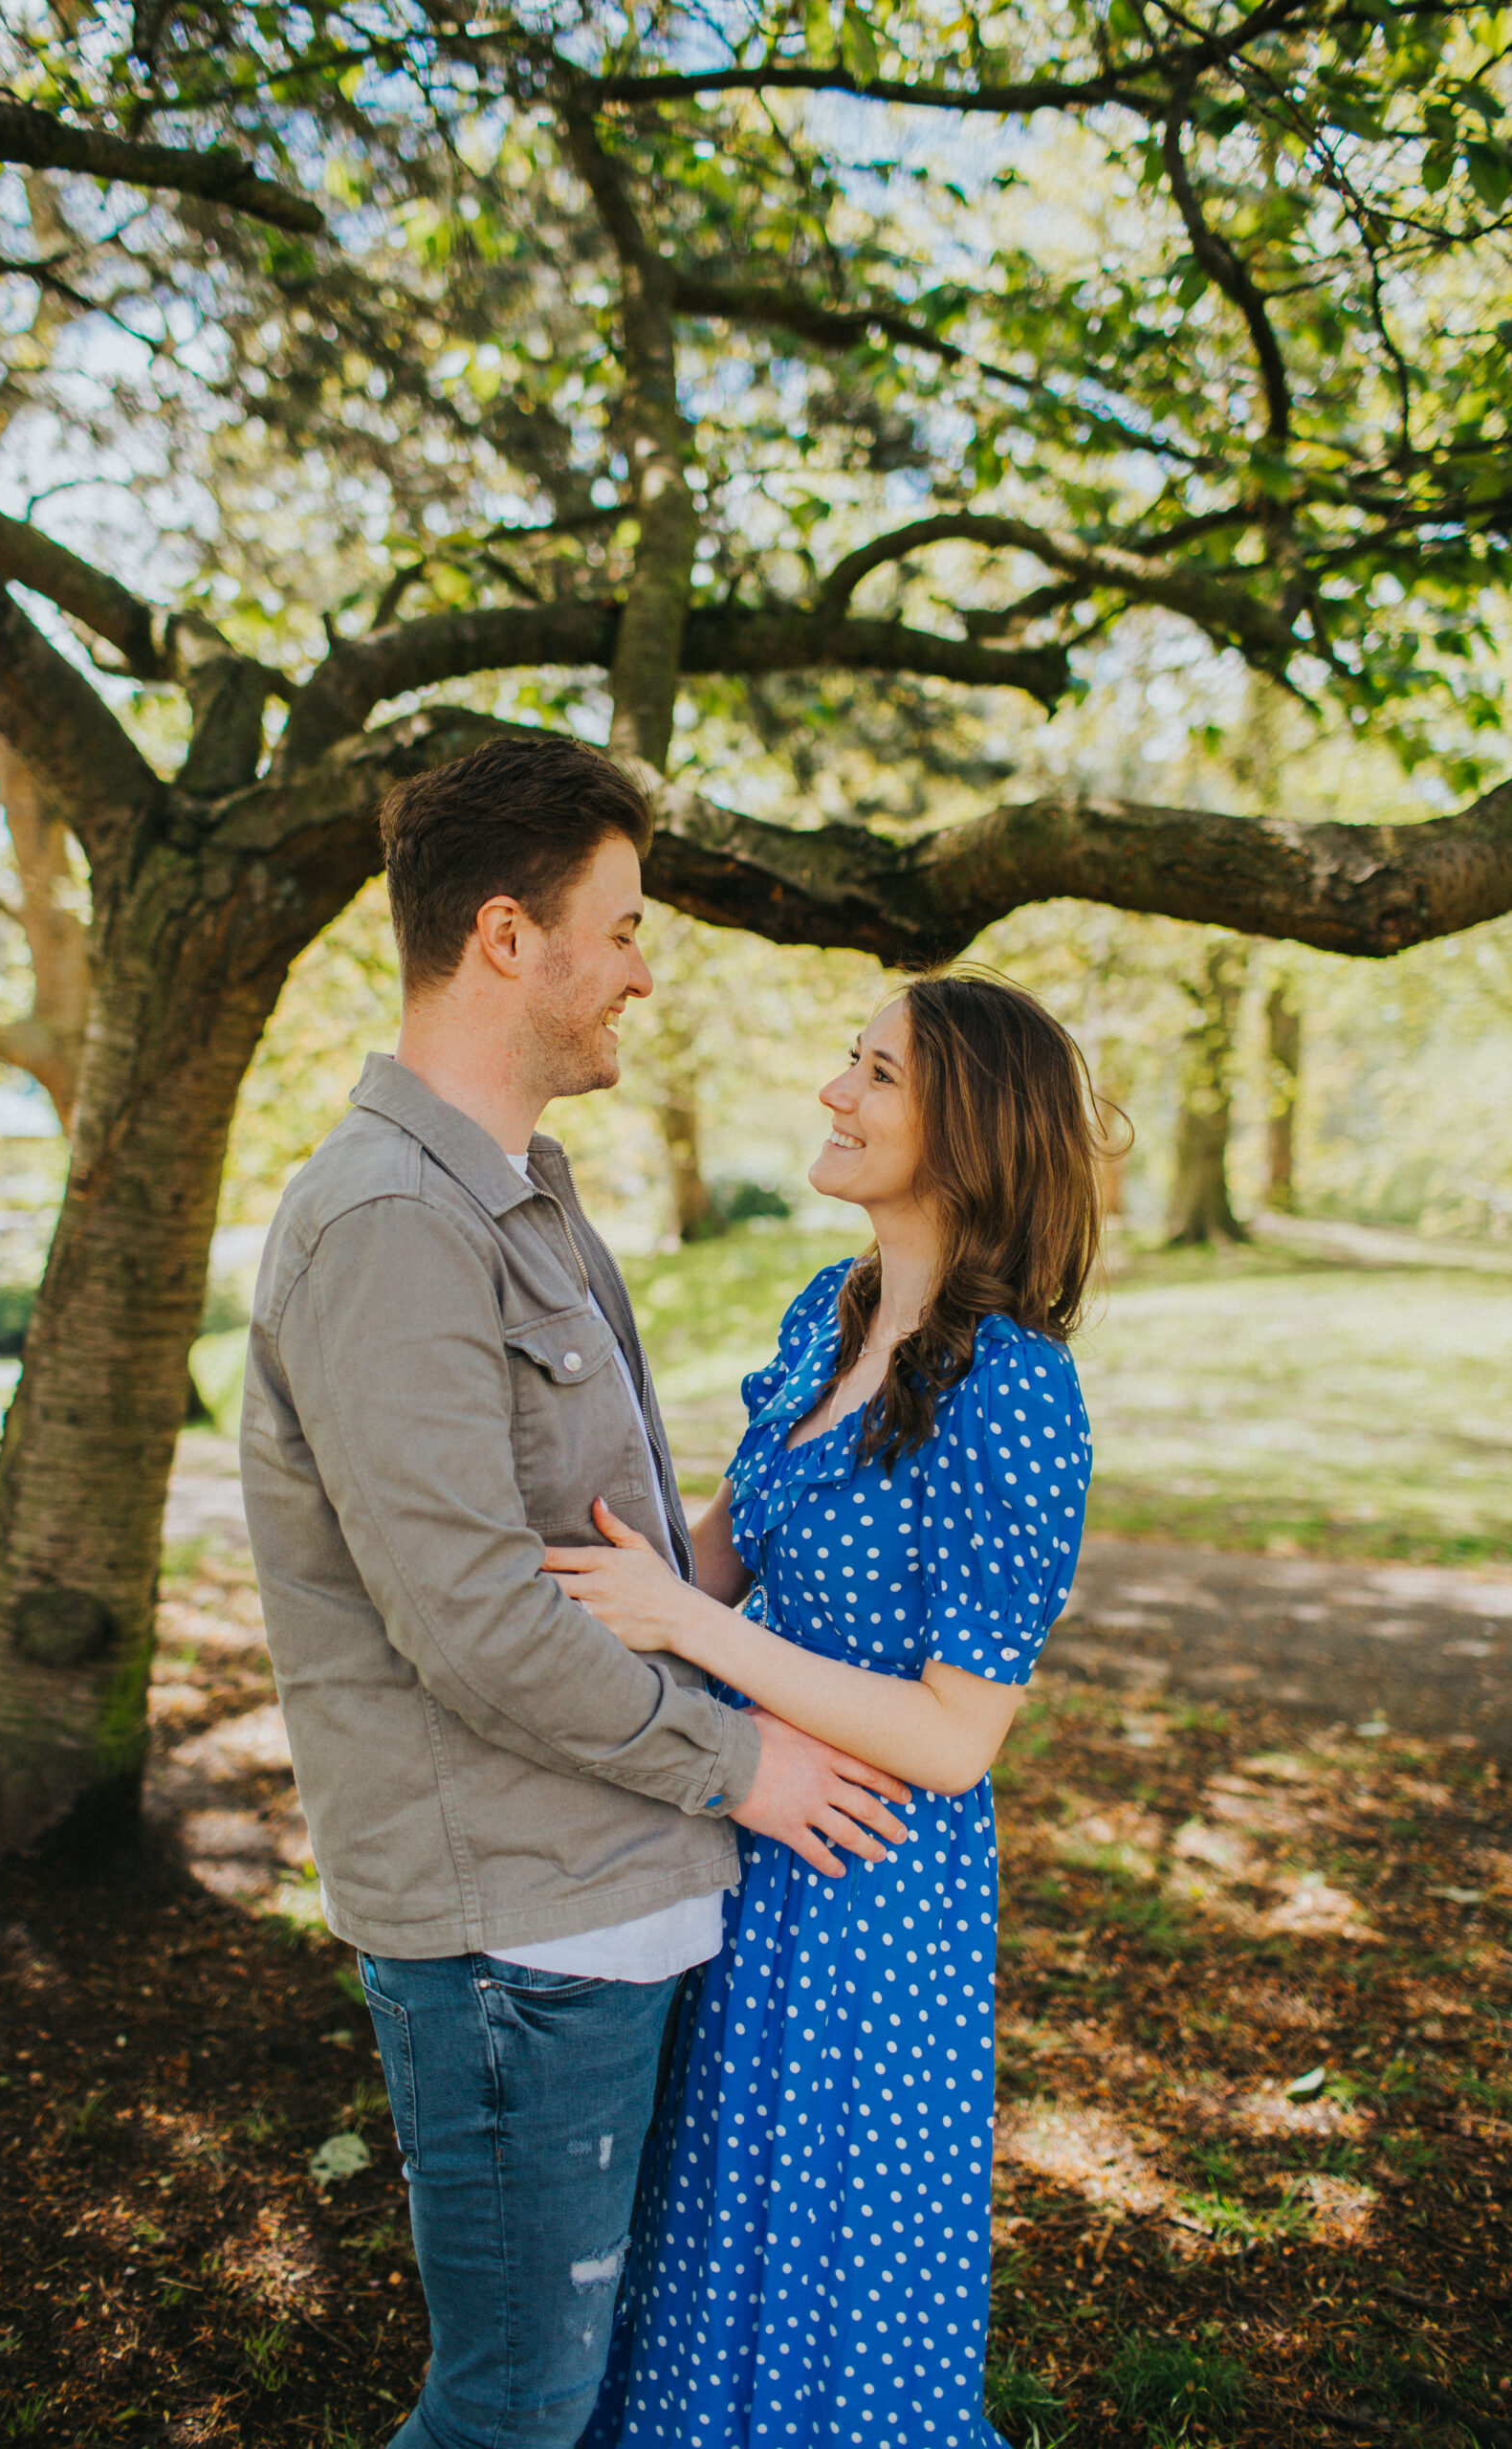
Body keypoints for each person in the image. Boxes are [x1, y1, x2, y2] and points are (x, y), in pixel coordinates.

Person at [238, 732, 908, 2449]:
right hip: (516, 1943)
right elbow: (472, 1621)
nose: (643, 970)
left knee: (581, 2400)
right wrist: (749, 1760)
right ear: (505, 937)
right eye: (617, 927)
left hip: (603, 1904)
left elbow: (605, 1555)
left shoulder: (525, 1191)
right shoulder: (389, 1221)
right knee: (516, 2407)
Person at [544, 971, 1107, 2449]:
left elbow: (952, 1736)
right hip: (751, 1834)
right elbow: (706, 1566)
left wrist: (690, 1632)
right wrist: (586, 1569)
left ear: (969, 1135)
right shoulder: (829, 1310)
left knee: (832, 2280)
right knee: (708, 2240)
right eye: (846, 1062)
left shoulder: (1021, 1395)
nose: (832, 1094)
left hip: (877, 1885)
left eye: (876, 1075)